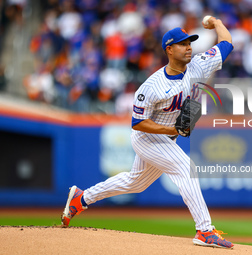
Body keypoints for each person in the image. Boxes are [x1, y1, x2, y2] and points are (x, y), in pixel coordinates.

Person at [61, 16, 234, 249]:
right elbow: (137, 122)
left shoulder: (199, 65)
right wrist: (171, 128)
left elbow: (227, 43)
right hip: (147, 137)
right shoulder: (152, 86)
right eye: (183, 44)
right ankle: (204, 230)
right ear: (169, 50)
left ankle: (82, 198)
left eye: (190, 43)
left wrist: (216, 22)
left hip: (166, 137)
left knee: (135, 183)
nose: (189, 47)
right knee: (186, 168)